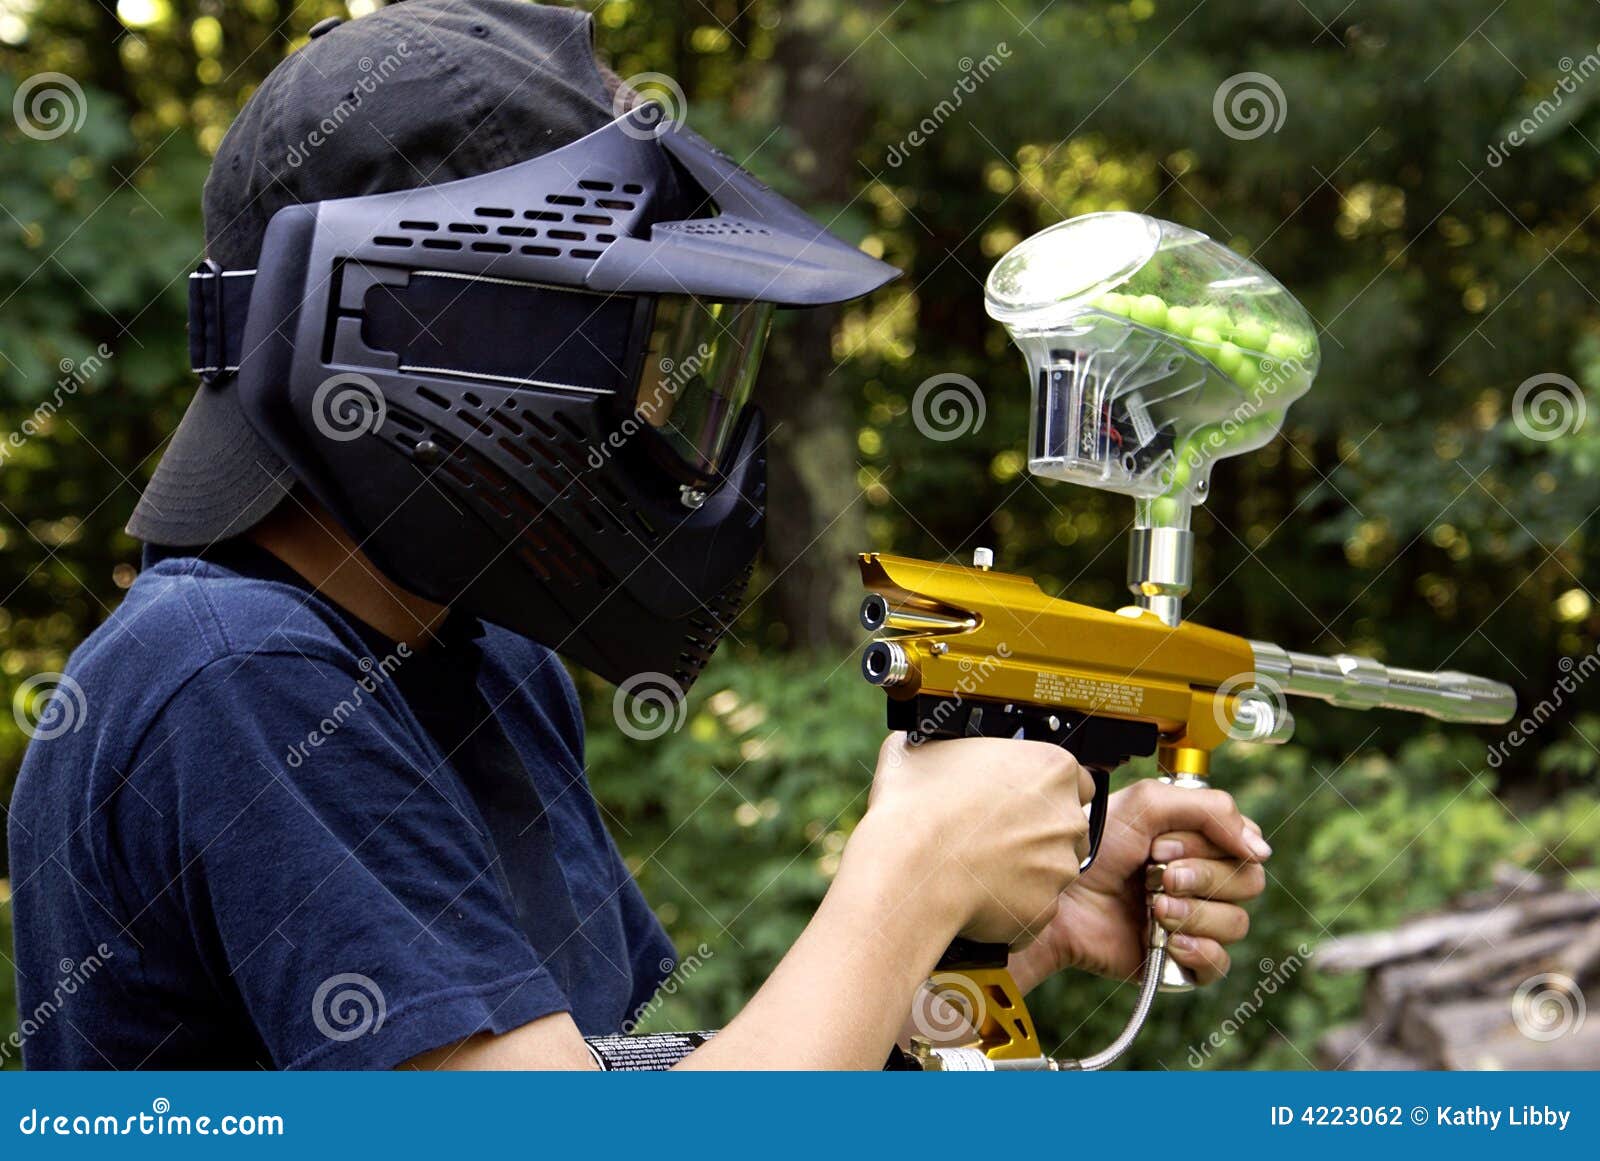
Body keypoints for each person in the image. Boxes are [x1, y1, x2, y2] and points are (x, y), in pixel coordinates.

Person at [6, 0, 1269, 1071]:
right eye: (627, 347)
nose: (659, 412)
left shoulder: (482, 663)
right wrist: (916, 867)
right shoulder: (233, 673)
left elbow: (643, 1087)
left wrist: (975, 948)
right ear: (435, 332)